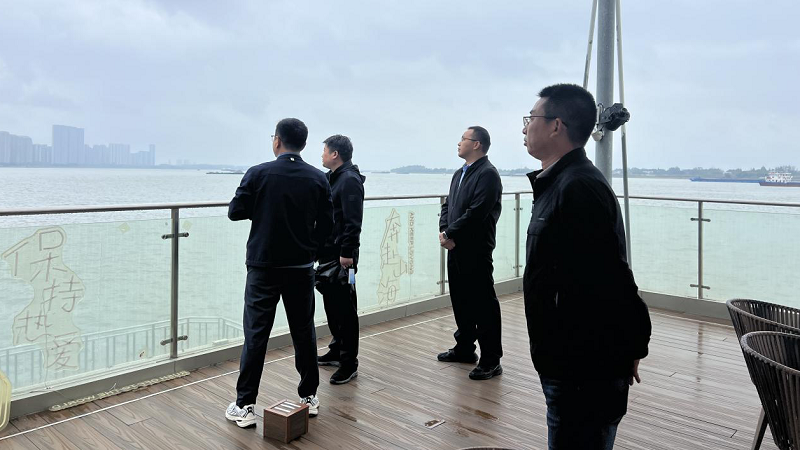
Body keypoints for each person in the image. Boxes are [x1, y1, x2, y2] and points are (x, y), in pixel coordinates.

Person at [521, 83, 652, 449]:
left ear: (555, 126)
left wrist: (630, 346)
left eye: (531, 118)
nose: (525, 127)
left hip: (581, 370)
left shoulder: (577, 188)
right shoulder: (562, 182)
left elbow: (611, 280)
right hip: (568, 362)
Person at [224, 118, 333, 427]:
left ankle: (245, 405)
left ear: (277, 141)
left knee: (256, 334)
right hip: (300, 268)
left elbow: (235, 212)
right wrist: (311, 252)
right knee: (303, 331)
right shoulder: (318, 178)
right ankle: (309, 397)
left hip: (263, 267)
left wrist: (262, 207)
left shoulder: (258, 173)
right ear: (304, 144)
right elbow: (327, 225)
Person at [437, 126, 504, 380]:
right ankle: (465, 348)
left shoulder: (488, 174)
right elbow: (448, 205)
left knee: (483, 304)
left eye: (463, 139)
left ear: (476, 144)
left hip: (476, 249)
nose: (459, 143)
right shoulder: (459, 173)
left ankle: (491, 360)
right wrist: (445, 231)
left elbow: (477, 212)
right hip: (455, 246)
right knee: (461, 300)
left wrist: (451, 233)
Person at [316, 134, 365, 385]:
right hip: (329, 253)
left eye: (325, 150)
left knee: (345, 310)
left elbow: (353, 220)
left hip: (342, 257)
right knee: (332, 306)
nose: (322, 154)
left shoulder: (349, 180)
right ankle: (337, 350)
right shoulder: (333, 177)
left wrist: (347, 252)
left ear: (335, 154)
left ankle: (349, 362)